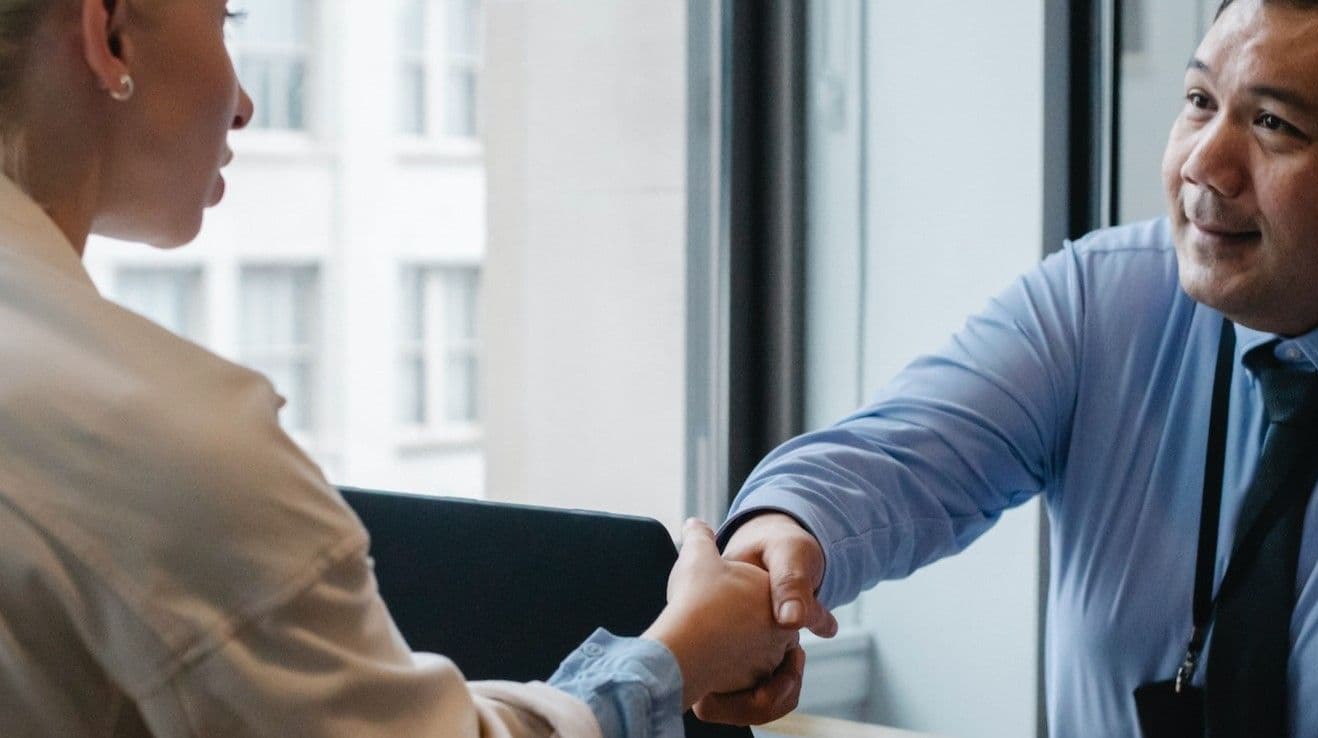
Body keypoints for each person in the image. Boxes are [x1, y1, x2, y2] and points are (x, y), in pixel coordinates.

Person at [0, 1, 800, 736]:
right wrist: (680, 654)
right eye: (223, 17)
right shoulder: (163, 442)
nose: (242, 102)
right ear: (109, 37)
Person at [698, 0, 1318, 736]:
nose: (1202, 163)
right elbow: (892, 457)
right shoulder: (1109, 297)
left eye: (1272, 124)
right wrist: (784, 541)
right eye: (1199, 102)